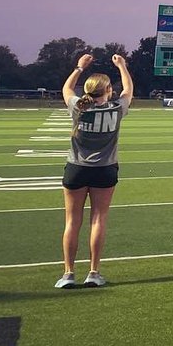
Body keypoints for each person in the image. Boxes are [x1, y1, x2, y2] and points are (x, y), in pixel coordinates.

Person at [56, 53, 134, 288]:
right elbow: (128, 90)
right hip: (105, 170)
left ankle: (68, 273)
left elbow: (67, 89)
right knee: (98, 220)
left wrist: (79, 68)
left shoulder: (78, 108)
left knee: (72, 222)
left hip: (76, 169)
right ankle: (93, 271)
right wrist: (122, 66)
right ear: (108, 90)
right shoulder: (116, 109)